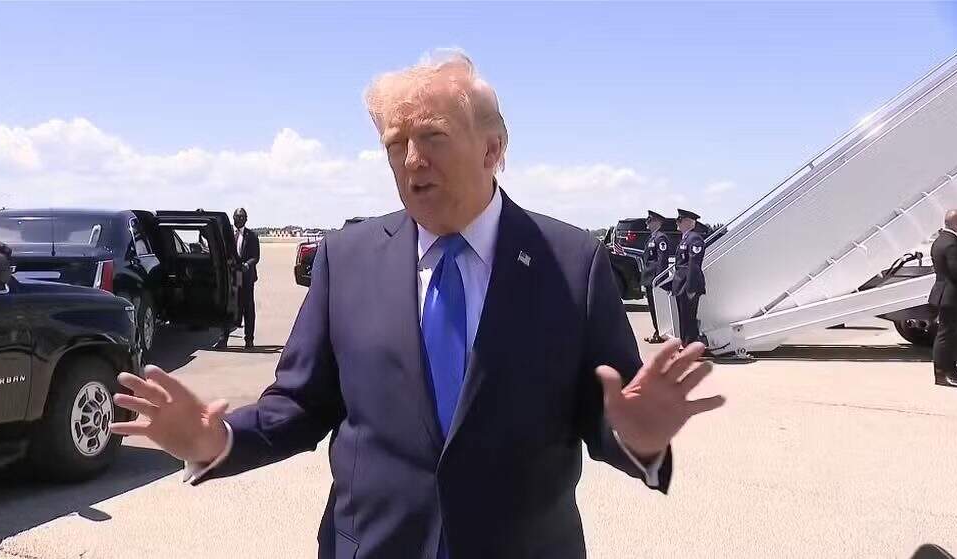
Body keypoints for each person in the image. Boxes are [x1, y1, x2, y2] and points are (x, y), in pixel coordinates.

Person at [110, 50, 725, 558]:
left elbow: (609, 412)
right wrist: (215, 438)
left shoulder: (571, 262)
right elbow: (299, 404)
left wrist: (640, 440)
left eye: (433, 137)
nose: (411, 160)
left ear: (492, 149)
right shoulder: (346, 259)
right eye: (395, 143)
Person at [928, 209, 957, 388]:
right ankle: (941, 374)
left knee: (950, 334)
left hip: (946, 293)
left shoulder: (942, 239)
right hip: (951, 295)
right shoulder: (952, 243)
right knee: (945, 335)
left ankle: (952, 370)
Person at [220, 208, 260, 349]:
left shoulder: (252, 236)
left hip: (247, 277)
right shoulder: (229, 235)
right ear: (233, 218)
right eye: (237, 216)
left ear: (246, 219)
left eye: (242, 217)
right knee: (229, 307)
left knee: (248, 308)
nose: (239, 219)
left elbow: (256, 256)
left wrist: (247, 265)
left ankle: (249, 340)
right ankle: (223, 339)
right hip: (233, 276)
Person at [673, 208, 706, 347]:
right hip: (681, 284)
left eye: (680, 220)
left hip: (688, 285)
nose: (677, 222)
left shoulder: (694, 239)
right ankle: (685, 344)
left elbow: (694, 264)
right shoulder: (685, 239)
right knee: (683, 317)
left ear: (689, 222)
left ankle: (690, 345)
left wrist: (691, 288)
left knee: (689, 318)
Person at [641, 210, 673, 344]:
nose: (647, 223)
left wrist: (659, 279)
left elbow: (662, 260)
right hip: (650, 278)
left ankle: (660, 332)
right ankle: (657, 331)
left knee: (657, 308)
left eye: (649, 220)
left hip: (656, 278)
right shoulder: (652, 238)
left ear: (657, 222)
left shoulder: (661, 238)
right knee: (652, 308)